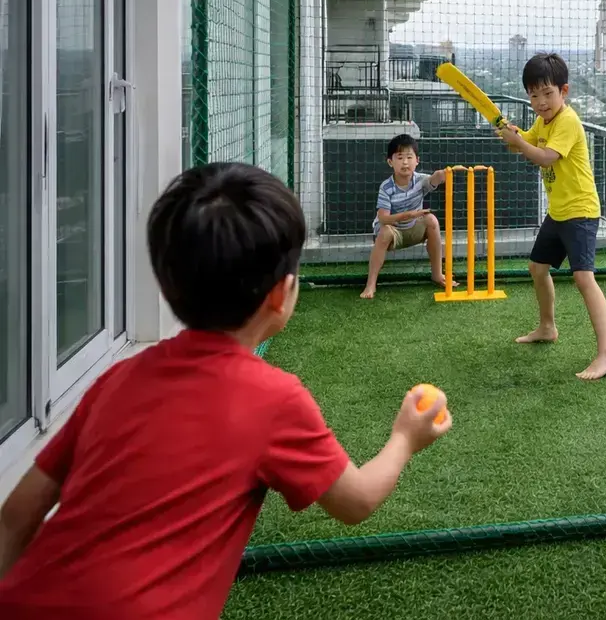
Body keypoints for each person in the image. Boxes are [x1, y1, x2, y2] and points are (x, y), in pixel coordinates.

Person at [0, 163, 452, 619]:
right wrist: (404, 437)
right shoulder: (273, 398)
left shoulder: (115, 380)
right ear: (281, 295)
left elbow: (17, 515)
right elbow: (357, 500)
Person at [496, 52, 606, 381]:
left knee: (583, 278)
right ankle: (548, 327)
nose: (540, 102)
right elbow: (525, 143)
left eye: (547, 94)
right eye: (533, 95)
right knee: (537, 268)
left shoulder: (567, 121)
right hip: (559, 212)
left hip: (580, 211)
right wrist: (511, 135)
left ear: (564, 91)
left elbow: (546, 157)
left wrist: (518, 143)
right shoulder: (544, 121)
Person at [360, 133, 450, 299]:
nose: (405, 162)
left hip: (412, 230)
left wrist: (441, 175)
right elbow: (383, 219)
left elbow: (434, 180)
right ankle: (371, 284)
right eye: (400, 157)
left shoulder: (421, 181)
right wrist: (410, 214)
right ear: (390, 162)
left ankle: (437, 274)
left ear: (417, 161)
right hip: (391, 233)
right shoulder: (386, 187)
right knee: (385, 230)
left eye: (409, 157)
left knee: (431, 220)